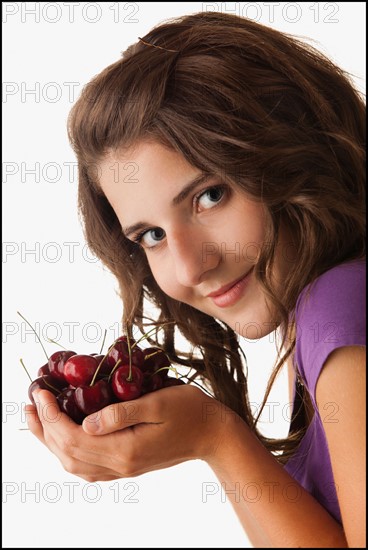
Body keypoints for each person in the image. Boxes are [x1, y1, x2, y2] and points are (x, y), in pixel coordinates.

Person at [25, 11, 365, 548]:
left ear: (294, 149)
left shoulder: (341, 300)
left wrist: (217, 436)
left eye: (209, 196)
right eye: (152, 235)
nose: (187, 266)